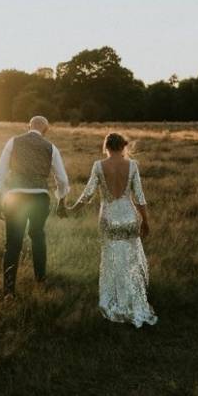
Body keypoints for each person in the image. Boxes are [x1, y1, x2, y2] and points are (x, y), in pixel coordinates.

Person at [65, 132, 157, 327]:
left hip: (108, 218)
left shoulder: (99, 166)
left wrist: (72, 209)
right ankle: (133, 302)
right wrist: (145, 221)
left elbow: (88, 194)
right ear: (123, 146)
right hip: (129, 217)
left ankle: (115, 301)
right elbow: (139, 197)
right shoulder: (132, 166)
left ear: (106, 147)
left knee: (111, 260)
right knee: (130, 260)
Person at [0, 116, 70, 296]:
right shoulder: (51, 147)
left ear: (28, 127)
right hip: (40, 198)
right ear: (45, 130)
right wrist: (61, 201)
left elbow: (0, 172)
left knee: (13, 244)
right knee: (38, 236)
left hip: (15, 197)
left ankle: (8, 291)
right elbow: (62, 179)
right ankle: (40, 282)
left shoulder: (13, 142)